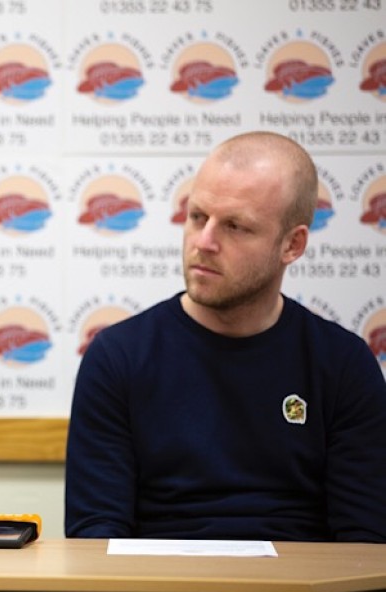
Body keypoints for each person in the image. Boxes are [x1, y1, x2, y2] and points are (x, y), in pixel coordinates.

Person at [65, 131, 386, 542]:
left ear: (292, 244)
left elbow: (365, 545)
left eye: (235, 226)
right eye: (198, 216)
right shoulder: (118, 357)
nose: (204, 242)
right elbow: (95, 535)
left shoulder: (343, 364)